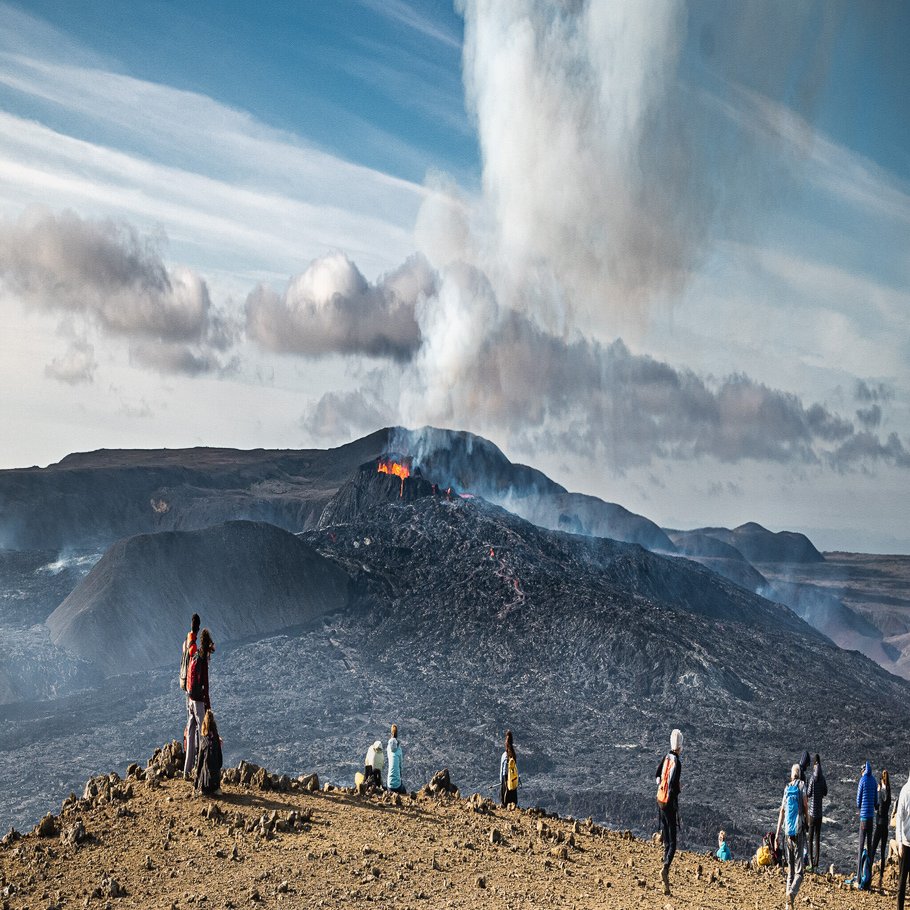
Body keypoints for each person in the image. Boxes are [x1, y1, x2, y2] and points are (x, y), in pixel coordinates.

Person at [775, 762, 809, 910]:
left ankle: (788, 906)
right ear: (800, 774)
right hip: (799, 831)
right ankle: (792, 893)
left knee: (790, 871)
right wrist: (807, 822)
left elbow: (782, 811)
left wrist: (777, 835)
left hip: (787, 832)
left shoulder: (787, 788)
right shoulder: (802, 785)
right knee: (800, 872)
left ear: (791, 774)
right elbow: (806, 806)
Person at [183, 628, 215, 780]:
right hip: (198, 702)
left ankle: (186, 770)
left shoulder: (195, 655)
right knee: (204, 736)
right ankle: (202, 770)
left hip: (190, 699)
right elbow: (205, 687)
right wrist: (208, 708)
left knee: (190, 735)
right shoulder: (202, 661)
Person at [655, 728, 683, 896]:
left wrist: (661, 787)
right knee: (673, 842)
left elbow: (657, 775)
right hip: (669, 804)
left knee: (666, 836)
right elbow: (673, 787)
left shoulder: (666, 757)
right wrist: (676, 792)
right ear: (680, 745)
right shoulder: (677, 762)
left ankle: (664, 868)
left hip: (659, 801)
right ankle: (665, 867)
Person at [180, 614, 200, 778]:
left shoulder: (185, 644)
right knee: (201, 731)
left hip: (187, 691)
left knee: (191, 728)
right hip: (196, 695)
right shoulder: (194, 649)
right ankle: (200, 767)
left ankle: (187, 770)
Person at [856, 761, 878, 887]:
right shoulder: (874, 781)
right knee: (869, 848)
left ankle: (859, 878)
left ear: (863, 770)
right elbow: (875, 801)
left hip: (863, 818)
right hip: (871, 819)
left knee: (860, 847)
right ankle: (868, 880)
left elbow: (858, 800)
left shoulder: (862, 780)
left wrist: (861, 807)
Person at [806, 753, 828, 872]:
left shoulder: (812, 778)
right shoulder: (822, 778)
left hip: (811, 814)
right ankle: (816, 863)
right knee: (818, 838)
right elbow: (825, 792)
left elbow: (808, 793)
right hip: (819, 813)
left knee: (810, 838)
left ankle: (810, 863)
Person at [194, 708, 223, 796]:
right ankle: (216, 788)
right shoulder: (216, 739)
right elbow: (220, 761)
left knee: (204, 764)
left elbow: (199, 762)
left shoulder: (204, 740)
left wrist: (196, 783)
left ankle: (204, 789)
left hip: (205, 784)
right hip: (215, 782)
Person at [870, 768, 891, 882]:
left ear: (881, 780)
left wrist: (878, 792)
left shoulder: (882, 792)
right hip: (886, 825)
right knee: (883, 852)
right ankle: (881, 877)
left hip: (879, 823)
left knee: (873, 849)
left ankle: (868, 874)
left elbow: (879, 806)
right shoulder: (889, 791)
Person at [895, 769, 910, 909]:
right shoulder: (905, 791)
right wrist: (899, 842)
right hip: (905, 843)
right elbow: (899, 817)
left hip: (906, 842)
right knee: (902, 881)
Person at [500, 730, 520, 808]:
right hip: (513, 778)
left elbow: (502, 770)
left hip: (506, 777)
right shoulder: (513, 754)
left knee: (505, 796)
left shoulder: (504, 755)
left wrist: (501, 780)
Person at [387, 724, 405, 794]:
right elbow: (400, 766)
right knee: (404, 790)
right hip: (397, 786)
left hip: (389, 785)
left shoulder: (388, 748)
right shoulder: (399, 750)